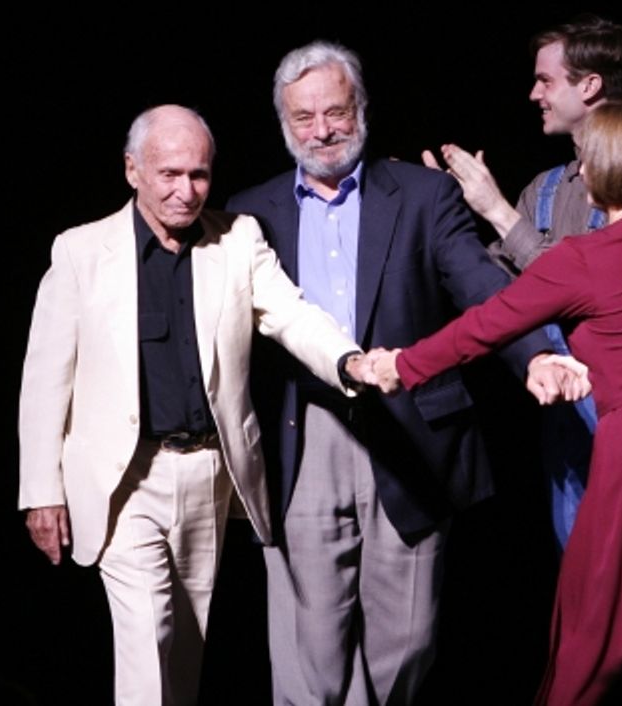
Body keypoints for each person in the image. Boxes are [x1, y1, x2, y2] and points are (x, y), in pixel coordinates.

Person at [384, 98, 622, 705]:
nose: (579, 171)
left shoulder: (581, 260)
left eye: (584, 159)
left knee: (610, 627)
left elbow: (482, 328)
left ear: (606, 169)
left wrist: (401, 365)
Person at [225, 41, 564, 705]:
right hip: (304, 432)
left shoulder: (421, 193)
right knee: (309, 641)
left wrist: (535, 354)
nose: (322, 130)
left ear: (362, 109)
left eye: (336, 111)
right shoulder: (248, 212)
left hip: (410, 429)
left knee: (408, 635)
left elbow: (478, 284)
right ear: (282, 123)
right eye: (304, 118)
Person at [17, 105, 385, 706]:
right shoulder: (81, 253)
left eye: (199, 175)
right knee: (146, 633)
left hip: (211, 477)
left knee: (184, 648)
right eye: (169, 174)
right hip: (124, 483)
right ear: (133, 170)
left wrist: (349, 362)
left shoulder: (237, 239)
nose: (186, 192)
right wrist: (41, 490)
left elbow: (290, 314)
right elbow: (45, 379)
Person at [423, 14, 622, 549]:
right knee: (582, 566)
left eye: (546, 81)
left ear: (589, 85)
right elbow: (497, 292)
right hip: (563, 414)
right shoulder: (544, 189)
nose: (534, 94)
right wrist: (438, 211)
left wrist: (498, 212)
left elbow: (605, 283)